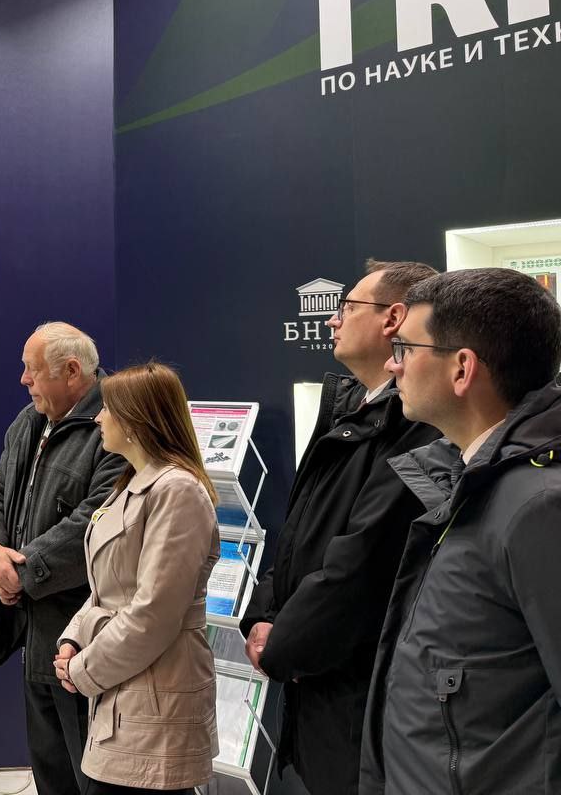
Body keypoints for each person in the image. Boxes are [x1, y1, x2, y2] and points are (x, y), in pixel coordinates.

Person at [239, 259, 440, 794]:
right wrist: (263, 617)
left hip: (361, 694)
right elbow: (300, 535)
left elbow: (360, 564)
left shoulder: (416, 425)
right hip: (322, 690)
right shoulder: (350, 408)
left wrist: (283, 643)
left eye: (348, 307)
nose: (332, 319)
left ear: (392, 319)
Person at [360, 268, 561, 794]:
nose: (393, 364)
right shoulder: (468, 482)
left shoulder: (538, 507)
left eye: (405, 348)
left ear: (462, 368)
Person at [0, 323, 126, 795]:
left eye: (32, 370)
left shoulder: (116, 424)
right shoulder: (29, 421)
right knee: (51, 773)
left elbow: (95, 521)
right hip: (34, 634)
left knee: (92, 777)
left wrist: (20, 572)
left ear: (72, 371)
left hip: (84, 640)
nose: (23, 380)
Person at [53, 361, 220, 794]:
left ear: (135, 421)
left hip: (156, 700)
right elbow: (105, 588)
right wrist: (73, 639)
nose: (98, 417)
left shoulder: (177, 491)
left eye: (107, 408)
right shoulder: (131, 485)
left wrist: (83, 669)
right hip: (124, 691)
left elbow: (154, 613)